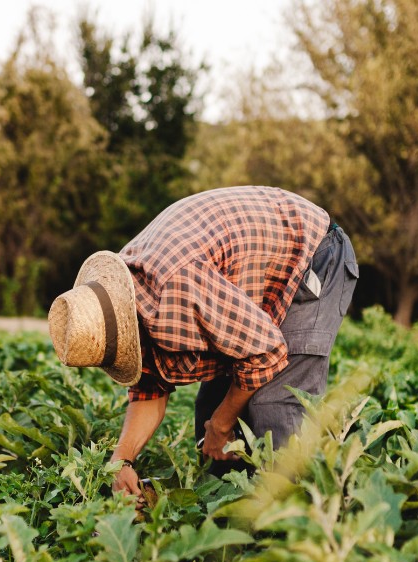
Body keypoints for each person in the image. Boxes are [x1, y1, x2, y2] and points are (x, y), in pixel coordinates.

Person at [47, 186, 357, 499]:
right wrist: (121, 461)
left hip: (312, 255)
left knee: (274, 407)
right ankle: (230, 516)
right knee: (211, 409)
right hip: (245, 280)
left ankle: (297, 524)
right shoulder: (128, 294)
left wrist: (222, 425)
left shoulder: (175, 287)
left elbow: (266, 352)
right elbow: (149, 389)